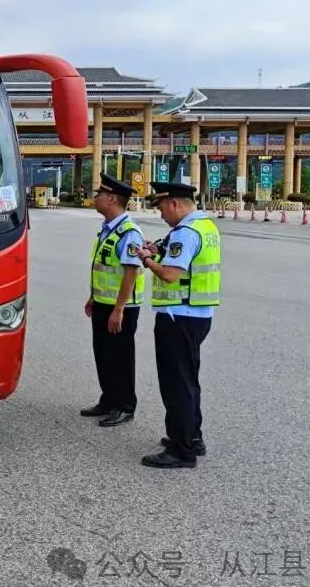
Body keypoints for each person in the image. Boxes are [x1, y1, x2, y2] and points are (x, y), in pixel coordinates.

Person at [134, 181, 221, 469]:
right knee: (189, 380)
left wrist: (148, 260)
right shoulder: (205, 227)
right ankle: (192, 436)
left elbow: (170, 274)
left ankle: (181, 449)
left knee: (176, 384)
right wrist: (157, 249)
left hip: (178, 316)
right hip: (197, 314)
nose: (160, 214)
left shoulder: (185, 232)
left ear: (174, 203)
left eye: (160, 208)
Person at [81, 173, 147, 427]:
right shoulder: (108, 230)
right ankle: (108, 399)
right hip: (103, 302)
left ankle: (124, 405)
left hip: (122, 307)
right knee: (103, 352)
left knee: (120, 355)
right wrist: (93, 297)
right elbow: (104, 267)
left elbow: (131, 272)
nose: (95, 198)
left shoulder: (129, 232)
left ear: (111, 199)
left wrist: (118, 309)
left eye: (99, 194)